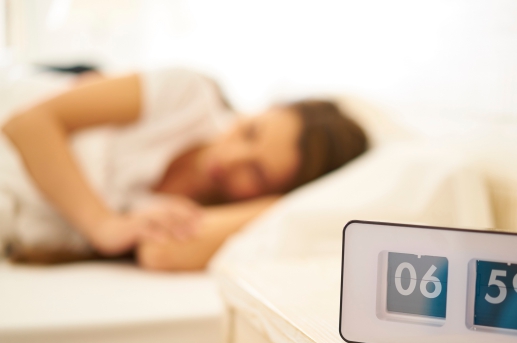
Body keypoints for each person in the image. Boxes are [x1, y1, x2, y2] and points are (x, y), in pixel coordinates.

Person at [1, 68, 368, 270]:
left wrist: (281, 206)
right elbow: (27, 124)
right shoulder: (187, 96)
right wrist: (102, 224)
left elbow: (160, 254)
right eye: (251, 131)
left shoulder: (213, 219)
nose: (231, 159)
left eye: (257, 174)